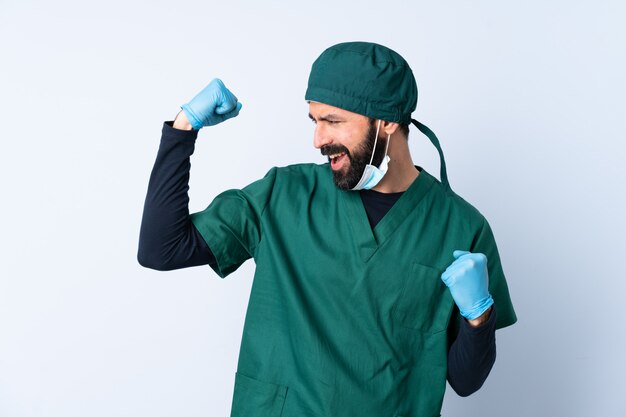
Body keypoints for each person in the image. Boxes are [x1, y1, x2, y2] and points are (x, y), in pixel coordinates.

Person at [138, 41, 517, 417]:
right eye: (315, 121)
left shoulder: (460, 227)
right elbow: (162, 249)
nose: (318, 140)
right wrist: (183, 129)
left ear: (386, 120)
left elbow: (466, 382)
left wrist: (478, 316)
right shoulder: (282, 196)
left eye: (333, 121)